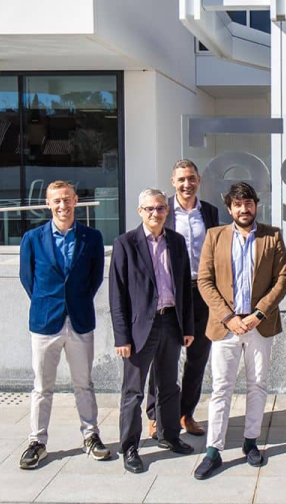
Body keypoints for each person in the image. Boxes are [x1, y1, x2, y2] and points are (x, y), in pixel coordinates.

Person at [193, 182, 286, 480]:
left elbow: (282, 279)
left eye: (248, 203)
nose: (244, 209)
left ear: (255, 205)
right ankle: (213, 450)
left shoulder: (273, 235)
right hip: (226, 327)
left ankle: (251, 442)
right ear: (229, 208)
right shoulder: (215, 236)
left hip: (260, 324)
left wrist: (259, 313)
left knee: (257, 385)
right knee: (221, 388)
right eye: (237, 204)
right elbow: (205, 281)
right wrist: (227, 317)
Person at [18, 180, 109, 469]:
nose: (62, 205)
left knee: (83, 384)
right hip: (45, 322)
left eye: (67, 199)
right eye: (56, 200)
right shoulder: (32, 238)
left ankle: (91, 436)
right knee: (42, 387)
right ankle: (37, 441)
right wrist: (51, 303)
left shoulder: (91, 237)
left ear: (76, 201)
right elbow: (27, 279)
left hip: (80, 320)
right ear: (48, 203)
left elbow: (95, 278)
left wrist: (75, 302)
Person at [110, 189, 196, 474]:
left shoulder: (177, 241)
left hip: (171, 322)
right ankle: (130, 447)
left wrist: (187, 327)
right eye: (149, 209)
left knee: (169, 385)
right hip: (139, 329)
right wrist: (122, 337)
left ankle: (169, 435)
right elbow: (117, 294)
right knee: (133, 391)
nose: (155, 213)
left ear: (167, 211)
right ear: (140, 211)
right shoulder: (125, 244)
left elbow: (184, 288)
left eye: (160, 208)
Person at [146, 159, 219, 440]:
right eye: (181, 179)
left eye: (191, 178)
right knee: (163, 355)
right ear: (172, 182)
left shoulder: (209, 212)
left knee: (198, 357)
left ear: (198, 180)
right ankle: (155, 415)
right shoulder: (162, 210)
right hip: (171, 291)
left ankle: (185, 413)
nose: (187, 184)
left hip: (202, 291)